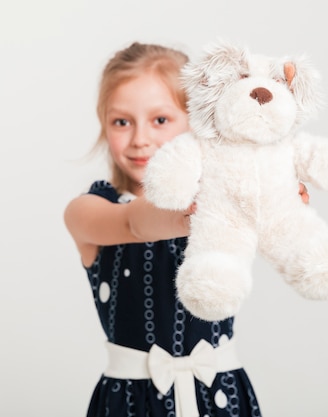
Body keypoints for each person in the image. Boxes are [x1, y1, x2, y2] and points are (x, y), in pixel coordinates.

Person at [64, 42, 309, 417]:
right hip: (129, 404)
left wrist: (277, 194)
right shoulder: (90, 210)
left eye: (160, 120)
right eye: (121, 121)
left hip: (222, 395)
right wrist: (193, 212)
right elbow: (134, 223)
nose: (140, 138)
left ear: (194, 120)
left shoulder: (223, 195)